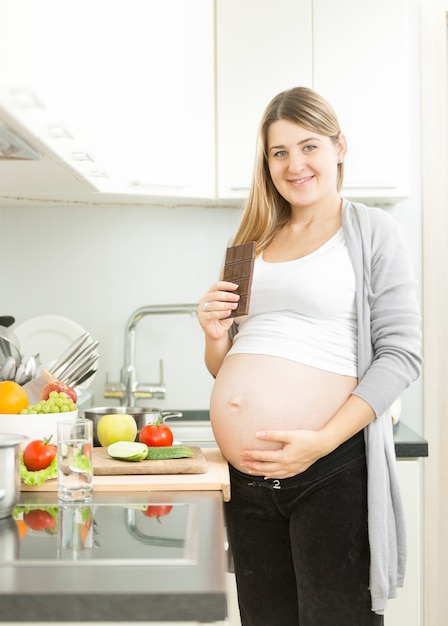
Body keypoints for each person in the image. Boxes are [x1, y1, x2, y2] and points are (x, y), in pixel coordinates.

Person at [197, 86, 422, 626]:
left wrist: (318, 442)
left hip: (329, 470)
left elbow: (401, 355)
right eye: (279, 153)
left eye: (309, 146)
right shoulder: (249, 242)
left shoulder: (371, 233)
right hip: (247, 481)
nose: (294, 164)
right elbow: (229, 368)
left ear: (339, 147)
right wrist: (212, 334)